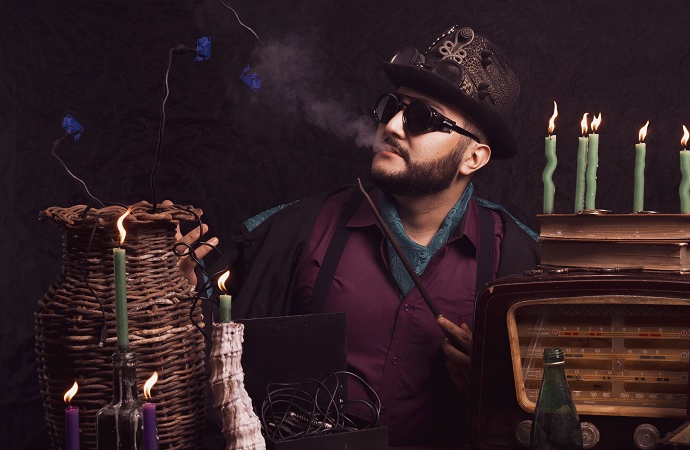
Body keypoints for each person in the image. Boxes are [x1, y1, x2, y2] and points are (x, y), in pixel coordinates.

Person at [174, 25, 539, 446]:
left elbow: (560, 405)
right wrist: (177, 296)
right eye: (392, 107)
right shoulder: (297, 229)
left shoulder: (519, 261)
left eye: (423, 118)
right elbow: (204, 347)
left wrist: (501, 389)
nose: (393, 126)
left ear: (473, 157)